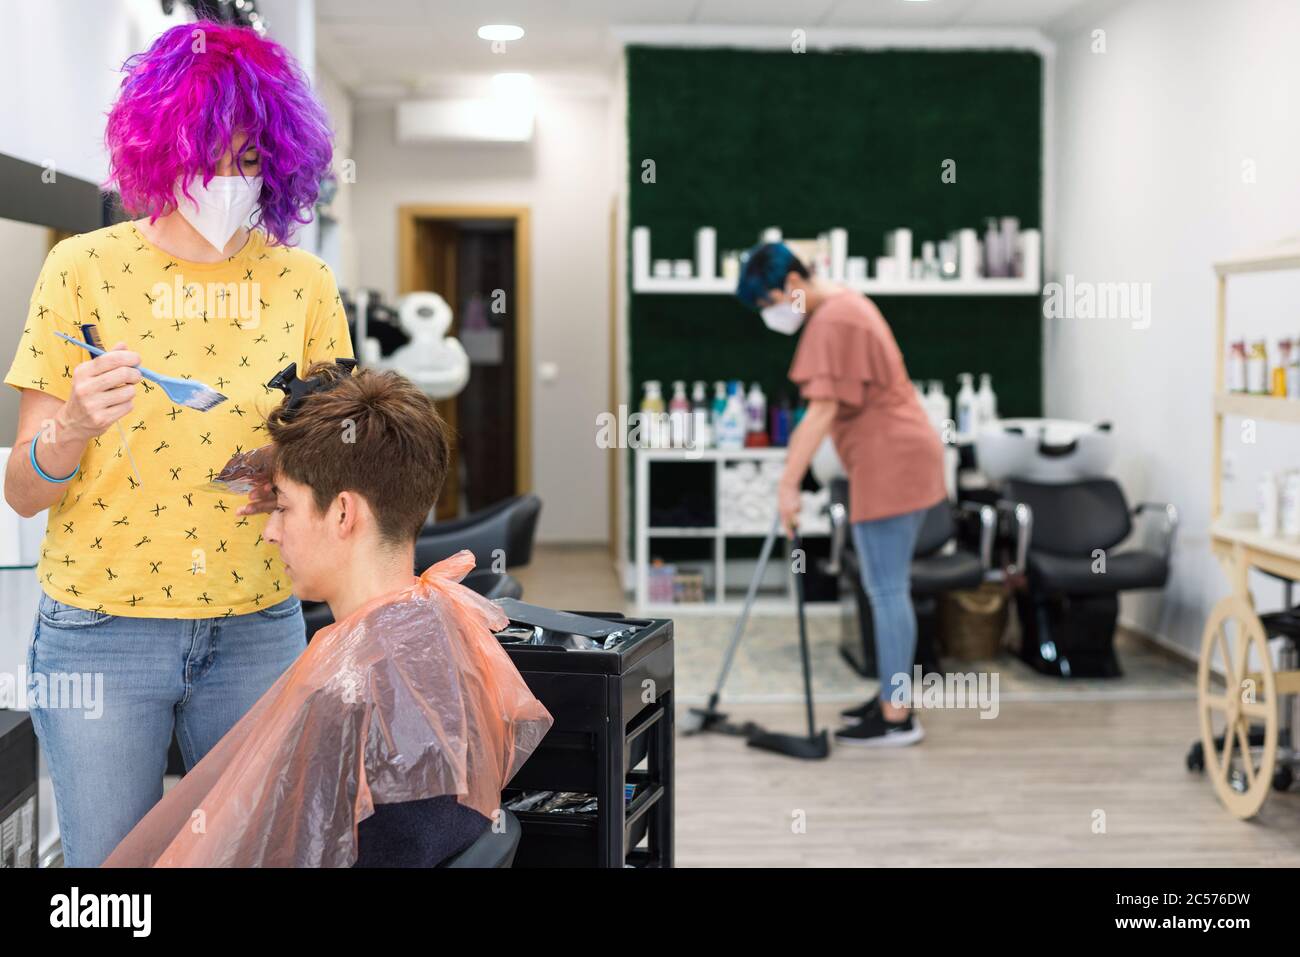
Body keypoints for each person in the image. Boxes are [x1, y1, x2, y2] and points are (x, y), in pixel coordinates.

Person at [3, 21, 349, 865]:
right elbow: (23, 490)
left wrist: (300, 462)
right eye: (212, 154)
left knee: (263, 853)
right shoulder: (81, 270)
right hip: (102, 629)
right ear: (161, 147)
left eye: (252, 162)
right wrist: (76, 423)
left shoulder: (301, 283)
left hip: (256, 623)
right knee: (111, 871)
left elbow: (344, 463)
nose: (231, 181)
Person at [102, 365, 552, 867]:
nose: (270, 531)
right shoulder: (440, 622)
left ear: (343, 513)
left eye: (285, 507)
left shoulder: (344, 693)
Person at [736, 243, 946, 748]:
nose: (772, 315)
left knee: (887, 589)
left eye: (768, 304)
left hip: (891, 464)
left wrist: (789, 484)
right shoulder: (846, 305)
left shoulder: (834, 320)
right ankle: (889, 698)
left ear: (791, 285)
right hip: (897, 458)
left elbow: (821, 411)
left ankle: (897, 716)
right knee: (884, 586)